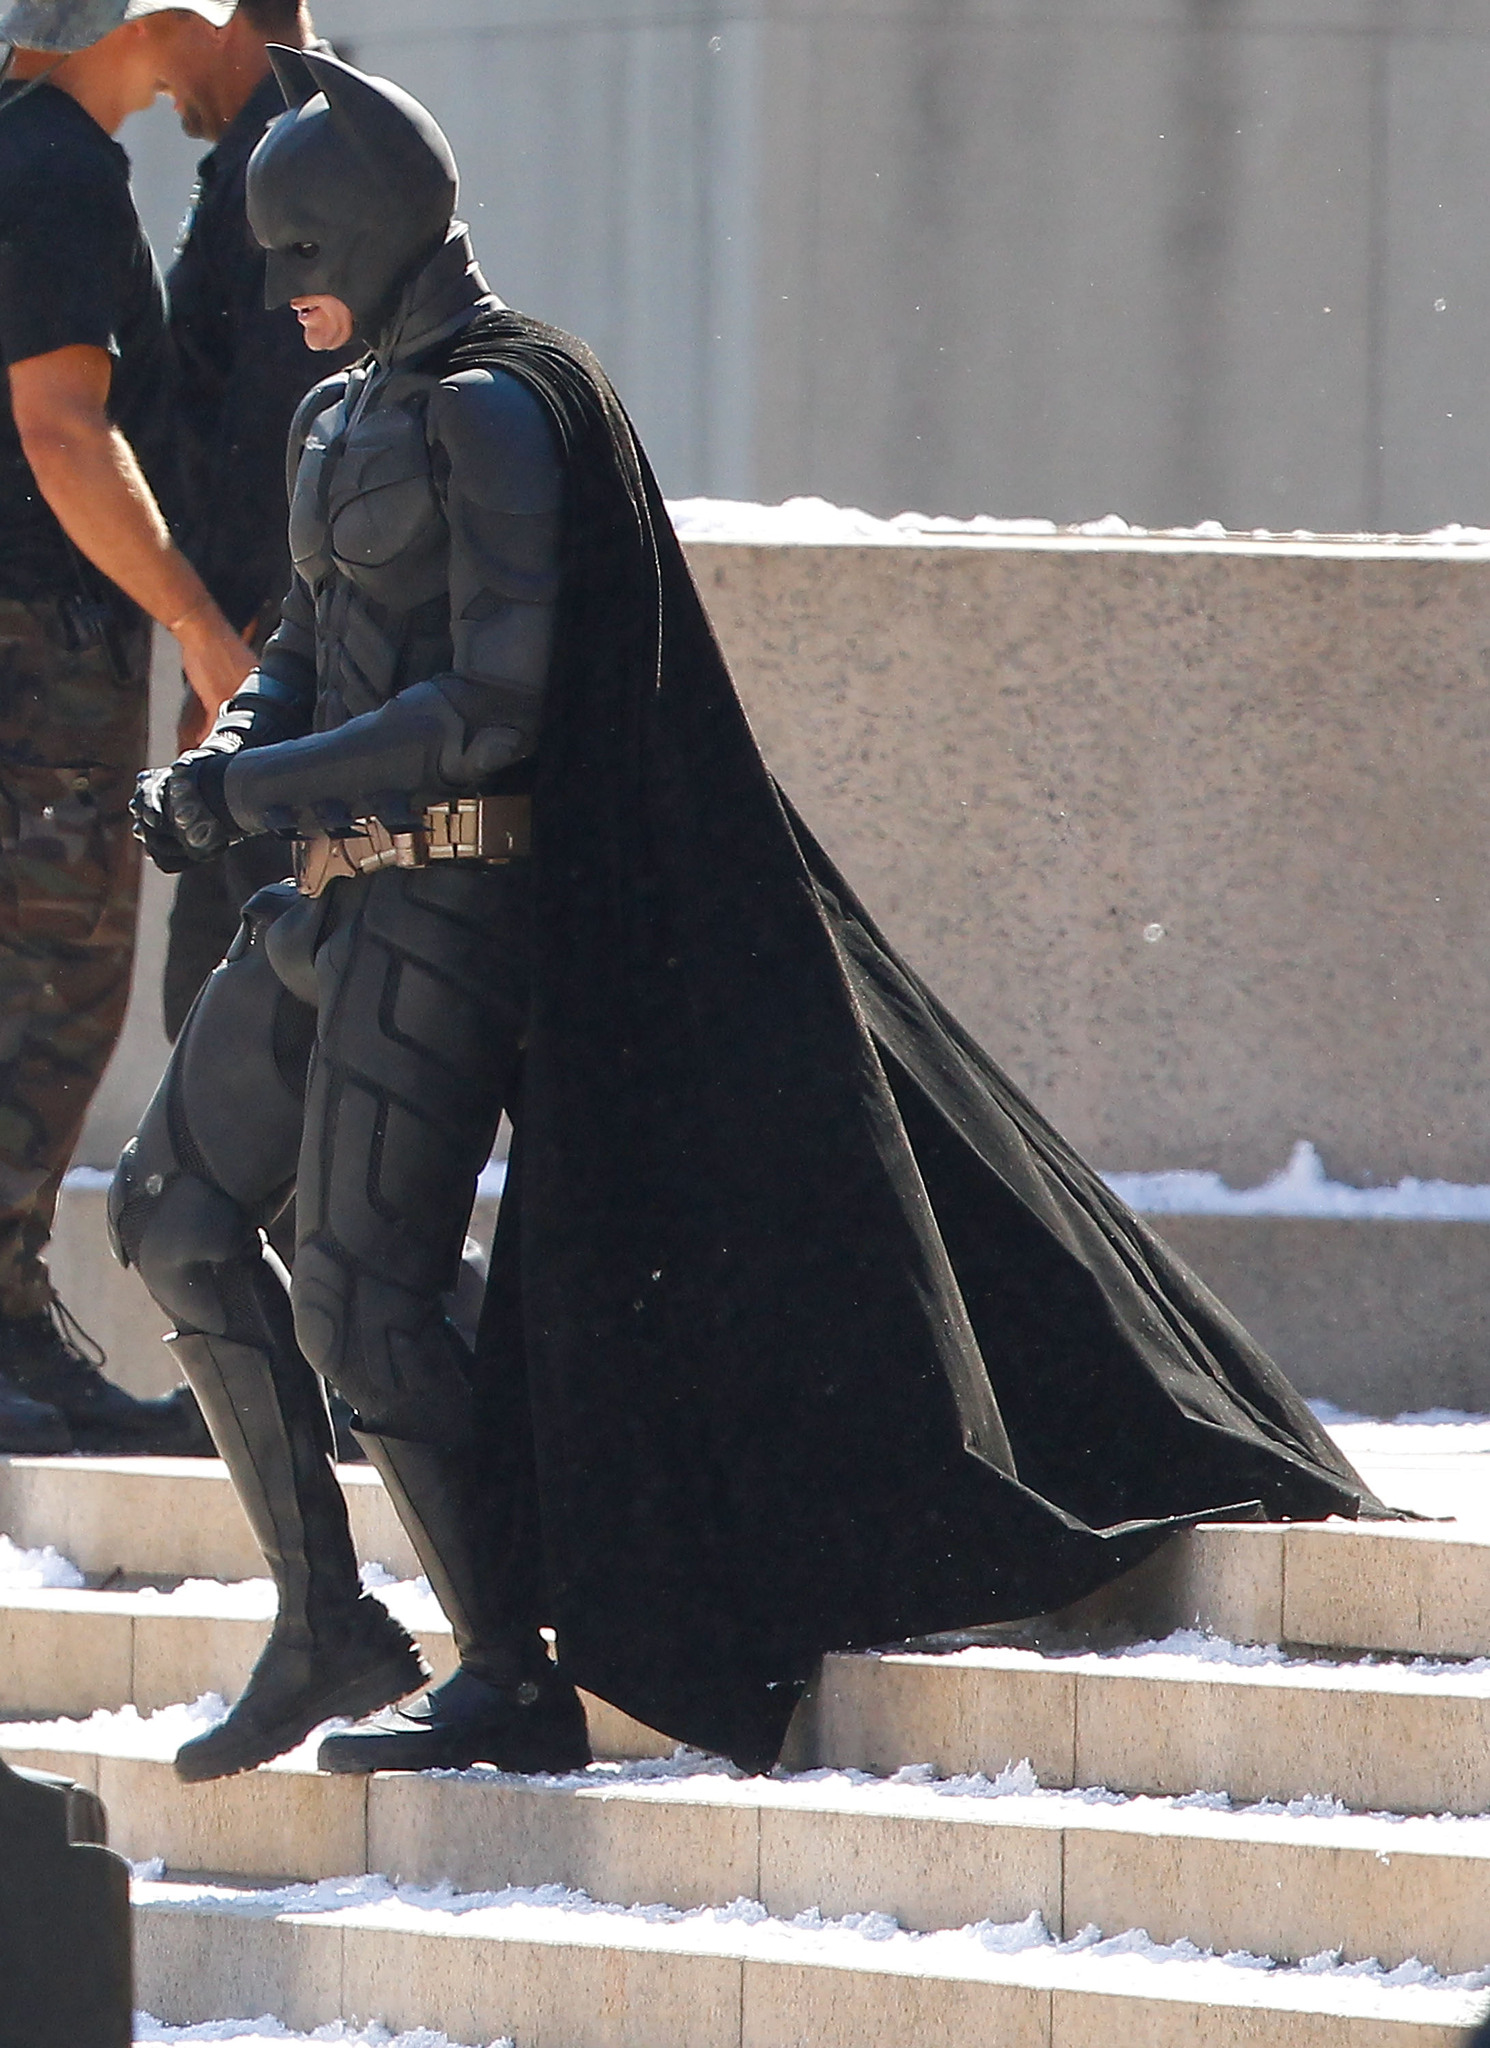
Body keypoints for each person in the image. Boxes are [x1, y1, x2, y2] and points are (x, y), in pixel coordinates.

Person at [112, 48, 1385, 1786]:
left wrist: (258, 784)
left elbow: (497, 700)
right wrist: (235, 751)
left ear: (386, 230)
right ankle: (326, 1620)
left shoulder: (506, 403)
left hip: (456, 901)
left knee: (361, 1290)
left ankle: (502, 1664)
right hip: (325, 892)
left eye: (305, 249)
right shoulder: (345, 416)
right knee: (178, 1212)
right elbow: (306, 644)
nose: (283, 289)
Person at [0, 0, 255, 1454]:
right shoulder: (56, 170)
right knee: (49, 987)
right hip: (43, 652)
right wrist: (196, 621)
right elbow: (61, 431)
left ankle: (15, 1324)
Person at [150, 0, 352, 1041]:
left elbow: (293, 430)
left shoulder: (294, 150)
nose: (142, 54)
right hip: (269, 671)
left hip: (285, 678)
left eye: (155, 18)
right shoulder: (281, 141)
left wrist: (236, 653)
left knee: (248, 1022)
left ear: (219, 15)